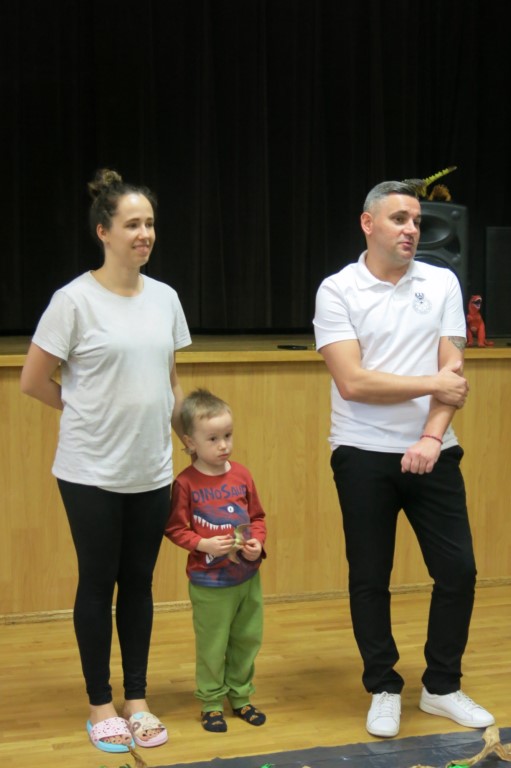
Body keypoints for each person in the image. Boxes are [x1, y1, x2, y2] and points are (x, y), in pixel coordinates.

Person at [313, 180, 495, 739]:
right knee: (370, 577)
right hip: (361, 452)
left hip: (434, 449)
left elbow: (453, 377)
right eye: (399, 219)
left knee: (458, 571)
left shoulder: (441, 282)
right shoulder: (337, 290)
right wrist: (429, 384)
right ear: (368, 224)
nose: (412, 229)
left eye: (416, 220)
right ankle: (383, 687)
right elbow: (353, 382)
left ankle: (441, 686)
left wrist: (432, 439)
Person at [20, 168, 192, 754]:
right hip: (90, 472)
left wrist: (187, 437)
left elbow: (169, 380)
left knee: (138, 584)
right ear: (103, 231)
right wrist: (85, 410)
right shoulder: (73, 300)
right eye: (132, 224)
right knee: (98, 583)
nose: (145, 234)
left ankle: (136, 699)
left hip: (151, 469)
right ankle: (100, 703)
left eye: (150, 224)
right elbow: (33, 380)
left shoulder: (165, 298)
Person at [165, 388, 267, 733]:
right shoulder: (185, 483)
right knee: (213, 645)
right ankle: (211, 702)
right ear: (190, 442)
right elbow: (175, 529)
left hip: (247, 578)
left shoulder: (242, 475)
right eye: (212, 439)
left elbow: (257, 517)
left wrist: (257, 544)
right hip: (210, 583)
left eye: (227, 435)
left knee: (247, 639)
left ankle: (241, 696)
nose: (223, 445)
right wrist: (203, 543)